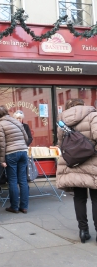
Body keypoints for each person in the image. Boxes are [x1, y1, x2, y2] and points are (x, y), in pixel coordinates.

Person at [56, 98, 97, 243]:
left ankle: (83, 231)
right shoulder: (93, 115)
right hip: (93, 162)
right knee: (96, 198)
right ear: (83, 105)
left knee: (79, 198)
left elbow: (61, 145)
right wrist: (90, 151)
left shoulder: (62, 120)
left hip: (74, 164)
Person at [0, 105, 29, 214]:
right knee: (23, 180)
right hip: (23, 152)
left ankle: (14, 207)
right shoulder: (16, 121)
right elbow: (26, 138)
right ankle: (24, 207)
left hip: (11, 153)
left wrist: (2, 160)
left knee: (12, 180)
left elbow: (2, 145)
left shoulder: (0, 124)